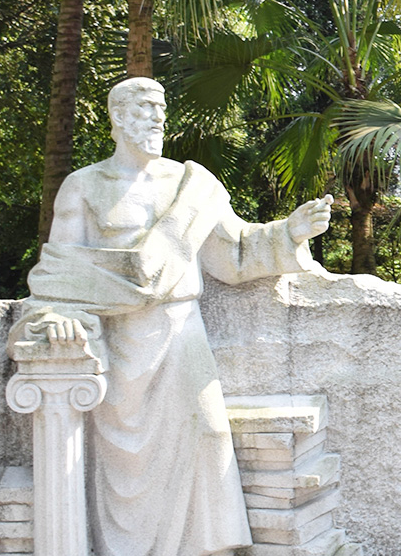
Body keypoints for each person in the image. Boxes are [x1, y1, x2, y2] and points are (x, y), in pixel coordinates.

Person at [18, 77, 333, 556]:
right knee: (125, 464)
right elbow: (60, 275)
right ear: (118, 116)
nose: (157, 119)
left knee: (207, 435)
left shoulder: (193, 186)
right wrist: (57, 314)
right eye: (145, 108)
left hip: (181, 334)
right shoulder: (84, 186)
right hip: (120, 343)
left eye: (161, 109)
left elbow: (233, 254)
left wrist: (290, 232)